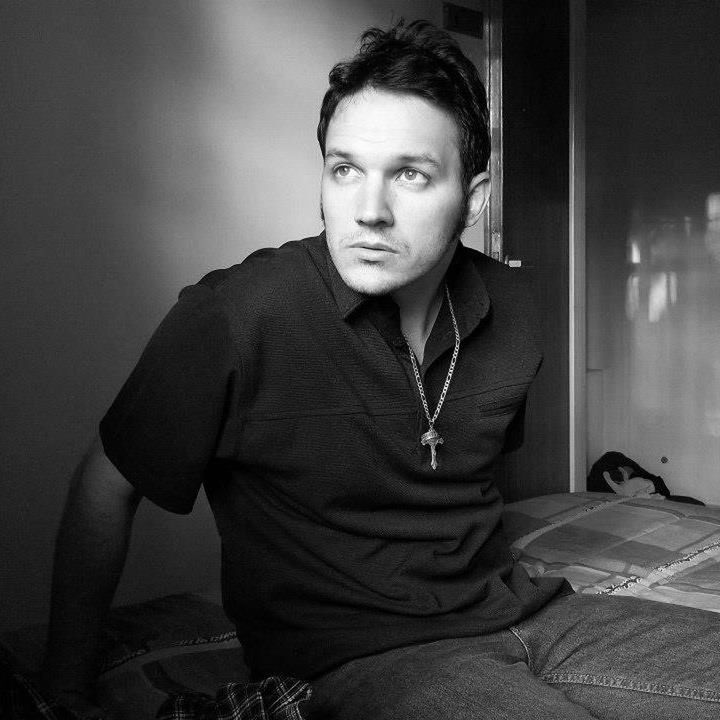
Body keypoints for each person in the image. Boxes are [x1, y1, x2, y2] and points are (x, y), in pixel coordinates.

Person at [41, 19, 719, 720]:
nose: (368, 211)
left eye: (410, 174)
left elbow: (462, 480)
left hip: (536, 617)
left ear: (475, 197)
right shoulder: (237, 315)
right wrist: (64, 692)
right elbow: (105, 484)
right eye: (345, 170)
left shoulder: (513, 306)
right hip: (366, 656)